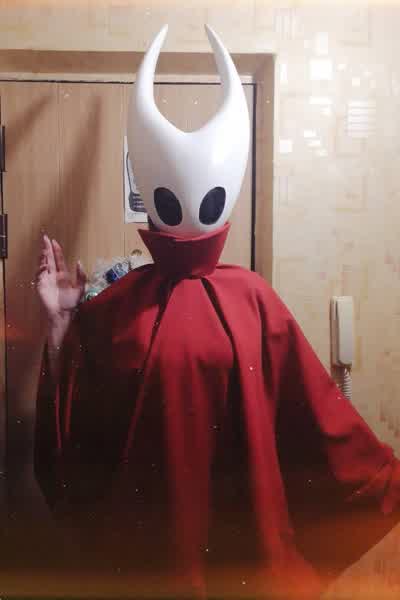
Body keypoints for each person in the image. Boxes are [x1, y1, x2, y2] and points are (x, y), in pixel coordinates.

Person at [34, 25, 400, 600]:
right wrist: (61, 326)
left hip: (242, 572)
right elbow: (73, 450)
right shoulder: (113, 308)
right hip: (145, 571)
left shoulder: (254, 300)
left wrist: (380, 481)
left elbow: (318, 422)